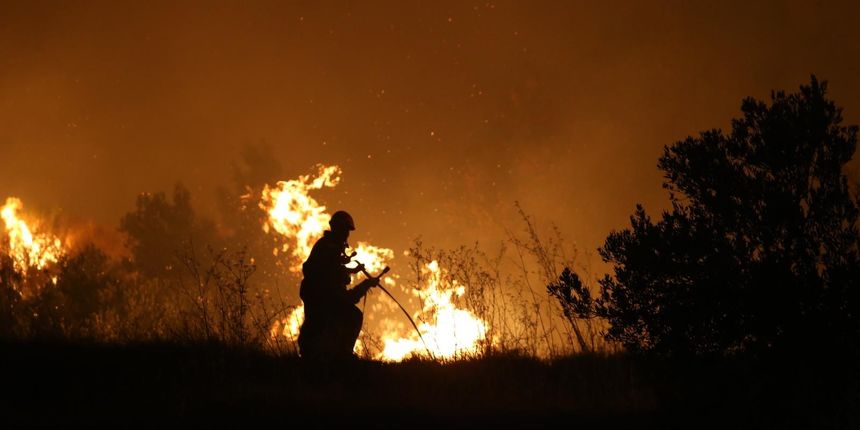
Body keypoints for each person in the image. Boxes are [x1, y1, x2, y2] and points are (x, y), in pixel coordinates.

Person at [297, 210, 378, 359]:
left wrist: (351, 270)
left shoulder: (325, 249)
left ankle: (321, 354)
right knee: (352, 316)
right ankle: (342, 355)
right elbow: (347, 297)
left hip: (315, 295)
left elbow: (333, 269)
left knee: (320, 325)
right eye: (345, 230)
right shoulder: (329, 252)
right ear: (338, 229)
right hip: (322, 297)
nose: (347, 234)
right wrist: (366, 284)